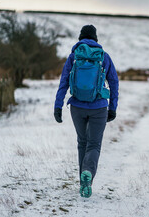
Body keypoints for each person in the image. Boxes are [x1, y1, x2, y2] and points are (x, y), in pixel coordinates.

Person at [53, 25, 119, 198]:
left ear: (80, 38)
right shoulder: (104, 57)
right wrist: (112, 107)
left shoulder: (74, 57)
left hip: (77, 107)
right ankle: (88, 174)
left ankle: (83, 182)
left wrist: (58, 106)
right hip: (99, 107)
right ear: (95, 39)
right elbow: (114, 83)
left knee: (82, 142)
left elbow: (64, 82)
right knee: (94, 144)